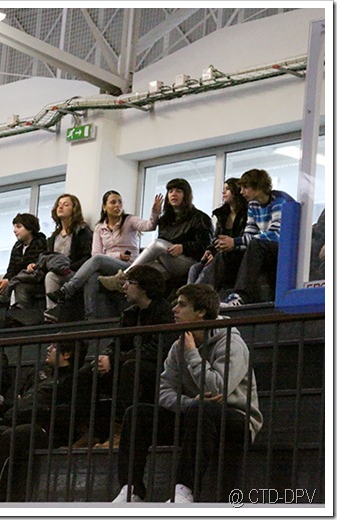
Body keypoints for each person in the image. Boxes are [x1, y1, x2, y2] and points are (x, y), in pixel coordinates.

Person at [113, 284, 262, 504]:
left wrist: (192, 354)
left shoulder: (231, 342)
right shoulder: (177, 346)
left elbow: (218, 388)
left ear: (201, 311)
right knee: (137, 414)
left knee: (203, 410)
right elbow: (164, 392)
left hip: (237, 420)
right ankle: (131, 489)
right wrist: (188, 402)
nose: (174, 309)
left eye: (181, 304)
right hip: (196, 415)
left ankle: (184, 491)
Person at [0, 340, 79, 502]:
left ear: (66, 354)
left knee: (12, 435)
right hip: (18, 421)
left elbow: (54, 411)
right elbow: (23, 403)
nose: (48, 348)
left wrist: (20, 411)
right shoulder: (42, 376)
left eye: (53, 346)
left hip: (46, 428)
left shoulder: (72, 380)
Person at [73, 265, 176, 448]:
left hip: (158, 369)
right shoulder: (130, 313)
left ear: (144, 287)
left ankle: (121, 431)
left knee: (131, 367)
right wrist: (105, 357)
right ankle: (92, 431)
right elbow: (117, 344)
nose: (124, 287)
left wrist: (114, 360)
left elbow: (157, 349)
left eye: (129, 282)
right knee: (86, 374)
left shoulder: (165, 312)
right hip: (129, 363)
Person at [43, 191, 161, 322]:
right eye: (113, 202)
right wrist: (116, 255)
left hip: (130, 265)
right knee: (92, 277)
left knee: (98, 260)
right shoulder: (100, 227)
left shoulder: (129, 220)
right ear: (104, 207)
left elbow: (149, 227)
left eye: (120, 202)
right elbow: (96, 253)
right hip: (109, 264)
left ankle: (67, 290)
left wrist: (155, 213)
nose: (117, 205)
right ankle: (90, 318)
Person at [99, 178, 213, 293]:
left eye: (178, 191)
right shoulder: (165, 220)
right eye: (170, 191)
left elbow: (205, 246)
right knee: (142, 276)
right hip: (168, 262)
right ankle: (127, 295)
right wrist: (156, 213)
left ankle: (122, 277)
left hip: (188, 261)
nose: (173, 194)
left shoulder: (200, 218)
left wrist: (183, 247)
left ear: (186, 195)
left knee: (157, 244)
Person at [218, 169, 295, 306]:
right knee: (226, 253)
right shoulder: (253, 205)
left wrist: (235, 241)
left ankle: (240, 295)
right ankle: (207, 296)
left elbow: (276, 235)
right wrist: (231, 245)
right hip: (265, 246)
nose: (241, 192)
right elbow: (249, 233)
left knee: (255, 244)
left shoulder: (279, 201)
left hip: (286, 250)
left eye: (245, 187)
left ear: (258, 186)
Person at [0, 213, 47, 325]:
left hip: (30, 284)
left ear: (30, 228)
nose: (15, 230)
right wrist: (5, 280)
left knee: (16, 287)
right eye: (14, 227)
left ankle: (14, 320)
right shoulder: (17, 247)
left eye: (19, 227)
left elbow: (34, 271)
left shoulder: (41, 243)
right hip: (13, 282)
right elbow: (11, 269)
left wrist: (10, 281)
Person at [30, 193, 92, 313]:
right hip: (57, 271)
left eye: (65, 204)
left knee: (51, 276)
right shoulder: (54, 236)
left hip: (74, 272)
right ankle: (51, 311)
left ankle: (52, 311)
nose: (60, 207)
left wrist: (69, 267)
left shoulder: (81, 231)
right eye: (59, 205)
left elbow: (87, 256)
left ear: (74, 209)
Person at [188, 178, 248, 290]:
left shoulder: (247, 213)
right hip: (220, 253)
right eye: (223, 189)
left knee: (206, 271)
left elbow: (245, 239)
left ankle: (193, 297)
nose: (223, 192)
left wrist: (216, 253)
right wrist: (210, 251)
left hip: (236, 255)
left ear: (237, 191)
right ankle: (189, 294)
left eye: (228, 189)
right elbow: (216, 238)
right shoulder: (222, 214)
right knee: (194, 269)